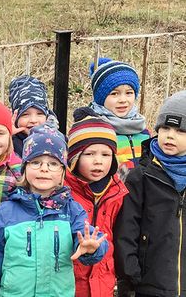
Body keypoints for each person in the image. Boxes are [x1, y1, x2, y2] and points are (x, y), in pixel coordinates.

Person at [0, 125, 108, 297]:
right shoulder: (6, 211)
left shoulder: (72, 210)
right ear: (24, 169)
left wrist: (92, 248)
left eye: (53, 164)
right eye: (35, 162)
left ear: (63, 172)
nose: (44, 169)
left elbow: (88, 238)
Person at [115, 90, 186, 296]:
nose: (170, 136)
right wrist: (131, 276)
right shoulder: (141, 177)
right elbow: (126, 231)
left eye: (181, 131)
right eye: (165, 128)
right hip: (149, 285)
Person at [65, 114, 128, 296]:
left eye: (106, 154)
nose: (98, 161)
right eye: (89, 154)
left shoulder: (118, 192)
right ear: (74, 158)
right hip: (70, 281)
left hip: (104, 281)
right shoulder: (63, 191)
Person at [88, 58, 151, 178]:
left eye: (129, 93)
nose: (123, 100)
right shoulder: (94, 131)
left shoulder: (143, 131)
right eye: (114, 93)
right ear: (100, 98)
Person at [9, 75, 58, 157]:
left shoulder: (56, 140)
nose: (33, 120)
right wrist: (8, 137)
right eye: (25, 114)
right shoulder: (10, 142)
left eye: (40, 114)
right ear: (16, 116)